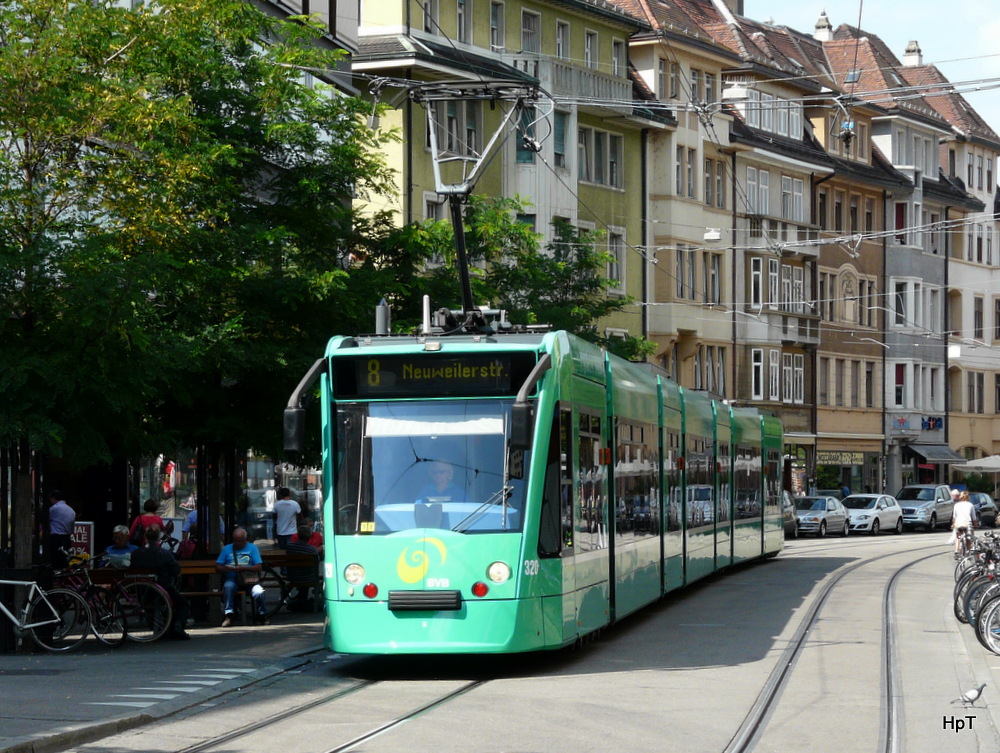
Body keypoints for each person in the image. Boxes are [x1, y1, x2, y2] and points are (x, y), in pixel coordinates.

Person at [131, 526, 191, 639]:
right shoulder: (164, 553)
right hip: (162, 590)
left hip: (143, 592)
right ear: (159, 538)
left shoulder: (136, 554)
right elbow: (176, 572)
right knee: (182, 604)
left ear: (145, 537)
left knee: (150, 605)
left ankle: (159, 627)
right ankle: (178, 626)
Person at [215, 527, 267, 627]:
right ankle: (229, 614)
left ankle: (262, 614)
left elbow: (258, 567)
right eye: (236, 541)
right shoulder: (227, 549)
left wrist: (244, 568)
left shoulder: (252, 548)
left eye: (240, 541)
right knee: (228, 586)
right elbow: (217, 567)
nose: (238, 544)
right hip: (232, 578)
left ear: (245, 539)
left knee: (259, 591)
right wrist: (227, 569)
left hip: (249, 580)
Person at [285, 523, 319, 612]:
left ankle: (300, 602)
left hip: (292, 577)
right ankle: (303, 603)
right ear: (309, 537)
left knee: (301, 572)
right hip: (307, 578)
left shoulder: (290, 546)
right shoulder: (311, 550)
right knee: (307, 573)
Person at [46, 491, 76, 569]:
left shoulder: (54, 509)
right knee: (65, 562)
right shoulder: (71, 510)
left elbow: (45, 518)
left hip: (56, 538)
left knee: (55, 562)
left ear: (53, 498)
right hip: (67, 538)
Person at [952, 490, 978, 557]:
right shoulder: (970, 505)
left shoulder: (956, 505)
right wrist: (975, 524)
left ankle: (956, 550)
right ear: (968, 497)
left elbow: (954, 517)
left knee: (958, 537)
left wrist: (953, 524)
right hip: (967, 523)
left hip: (958, 523)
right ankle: (968, 551)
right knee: (968, 538)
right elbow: (974, 517)